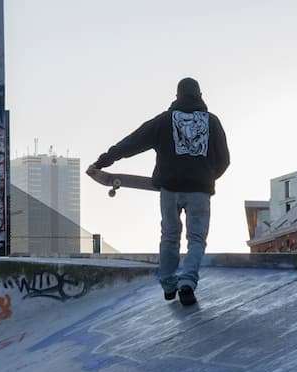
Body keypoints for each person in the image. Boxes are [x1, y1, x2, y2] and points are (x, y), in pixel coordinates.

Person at [88, 78, 229, 306]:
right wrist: (207, 178)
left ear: (177, 95)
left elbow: (132, 142)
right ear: (200, 95)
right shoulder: (212, 123)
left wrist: (104, 161)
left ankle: (168, 282)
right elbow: (224, 160)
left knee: (169, 236)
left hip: (169, 190)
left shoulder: (164, 121)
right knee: (196, 239)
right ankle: (187, 283)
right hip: (199, 192)